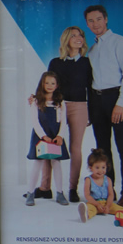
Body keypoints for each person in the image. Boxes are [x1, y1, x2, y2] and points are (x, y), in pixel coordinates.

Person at [34, 26, 92, 202]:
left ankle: (72, 189)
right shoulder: (55, 63)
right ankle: (45, 188)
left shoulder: (86, 63)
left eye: (80, 35)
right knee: (49, 143)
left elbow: (90, 88)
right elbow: (47, 85)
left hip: (79, 106)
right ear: (66, 39)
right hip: (56, 106)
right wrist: (35, 98)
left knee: (75, 147)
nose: (78, 38)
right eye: (73, 35)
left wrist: (90, 111)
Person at [85, 4, 123, 208]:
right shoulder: (92, 49)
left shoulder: (120, 42)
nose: (95, 24)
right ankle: (108, 192)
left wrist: (120, 104)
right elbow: (90, 81)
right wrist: (89, 110)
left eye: (98, 19)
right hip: (97, 101)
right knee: (103, 150)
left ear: (106, 19)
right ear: (87, 24)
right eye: (90, 21)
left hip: (116, 97)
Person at [25, 71, 70, 206]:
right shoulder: (36, 101)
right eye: (47, 83)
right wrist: (43, 136)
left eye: (53, 83)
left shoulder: (60, 103)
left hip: (55, 136)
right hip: (41, 137)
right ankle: (30, 192)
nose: (50, 85)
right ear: (42, 84)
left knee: (56, 163)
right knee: (37, 163)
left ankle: (60, 193)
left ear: (56, 86)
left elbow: (63, 120)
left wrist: (60, 136)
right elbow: (35, 121)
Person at [77, 148, 123, 222]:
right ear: (91, 168)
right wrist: (97, 204)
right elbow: (87, 195)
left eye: (103, 167)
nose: (101, 170)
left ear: (106, 167)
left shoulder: (108, 180)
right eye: (97, 168)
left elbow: (111, 195)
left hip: (107, 203)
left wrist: (107, 205)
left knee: (119, 209)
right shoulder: (88, 180)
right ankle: (86, 215)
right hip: (94, 203)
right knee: (91, 208)